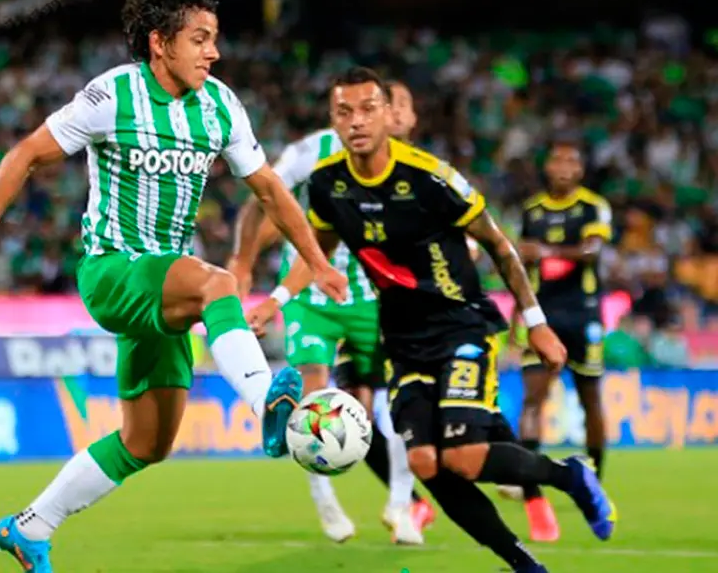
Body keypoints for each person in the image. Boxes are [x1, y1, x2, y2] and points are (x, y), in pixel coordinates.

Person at [0, 0, 346, 571]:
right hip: (113, 271)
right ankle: (268, 404)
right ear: (159, 43)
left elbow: (270, 191)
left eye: (215, 41)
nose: (214, 54)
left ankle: (31, 526)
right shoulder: (112, 95)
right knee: (218, 284)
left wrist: (319, 260)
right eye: (200, 40)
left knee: (147, 442)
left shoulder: (221, 105)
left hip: (164, 288)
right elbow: (25, 153)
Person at [245, 66, 616, 573]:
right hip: (400, 339)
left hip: (459, 326)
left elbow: (500, 246)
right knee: (423, 462)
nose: (356, 121)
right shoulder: (329, 184)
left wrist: (536, 321)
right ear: (333, 119)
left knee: (463, 458)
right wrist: (277, 300)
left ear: (387, 114)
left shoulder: (430, 177)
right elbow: (320, 253)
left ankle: (569, 476)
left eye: (368, 109)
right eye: (344, 112)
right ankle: (523, 563)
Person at [229, 79, 433, 545]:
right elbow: (262, 196)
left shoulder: (413, 170)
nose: (390, 115)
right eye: (347, 109)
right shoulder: (311, 152)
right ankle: (323, 498)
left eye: (393, 106)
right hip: (309, 296)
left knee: (394, 405)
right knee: (314, 394)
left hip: (373, 300)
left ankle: (403, 507)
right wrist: (243, 261)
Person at [499, 141, 613, 542]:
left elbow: (591, 252)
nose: (564, 166)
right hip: (541, 316)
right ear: (546, 166)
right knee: (533, 399)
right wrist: (518, 317)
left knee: (590, 399)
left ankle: (594, 477)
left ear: (581, 170)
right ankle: (532, 494)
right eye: (557, 159)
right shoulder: (532, 210)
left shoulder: (593, 207)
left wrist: (543, 250)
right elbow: (520, 269)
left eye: (572, 159)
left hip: (582, 314)